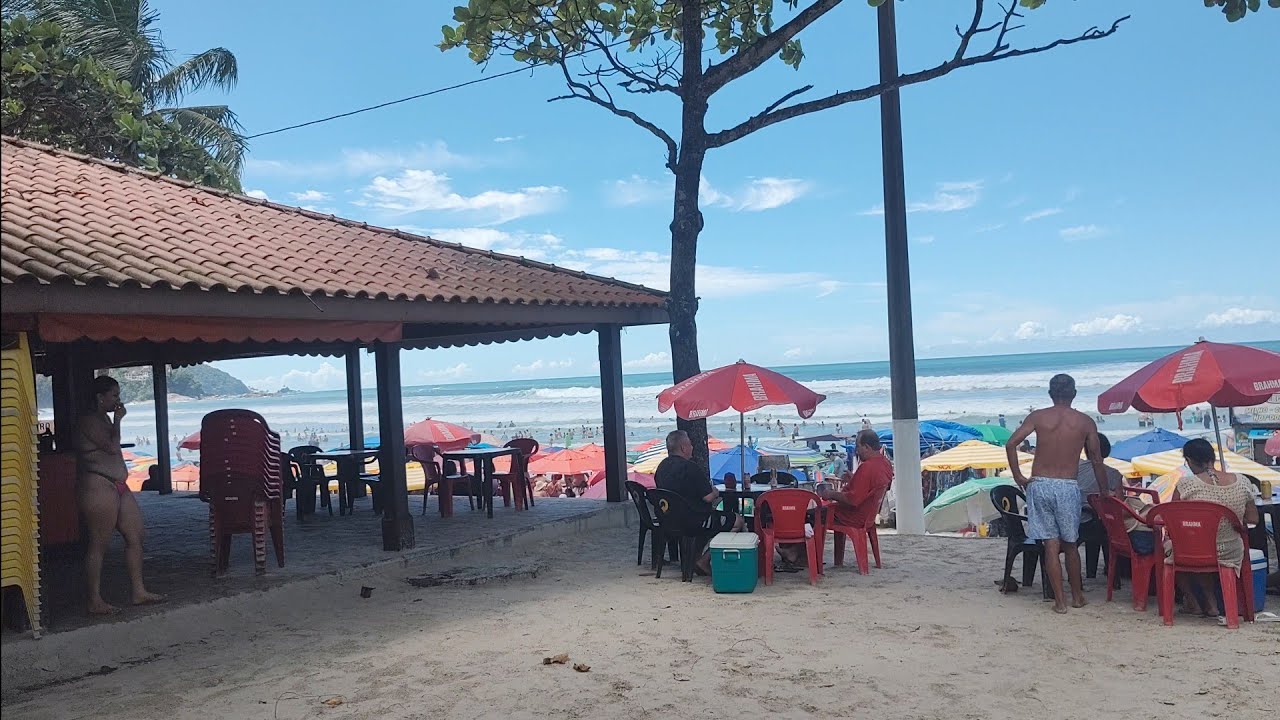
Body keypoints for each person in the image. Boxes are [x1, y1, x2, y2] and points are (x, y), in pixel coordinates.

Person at [1007, 374, 1110, 614]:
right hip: (1066, 485)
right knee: (1071, 544)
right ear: (1074, 393)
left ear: (1051, 394)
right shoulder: (1085, 422)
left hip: (1040, 483)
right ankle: (1077, 597)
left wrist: (1018, 477)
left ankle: (1059, 602)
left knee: (1050, 545)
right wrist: (1104, 490)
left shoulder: (1038, 417)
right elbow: (1096, 458)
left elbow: (1011, 444)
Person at [75, 376, 164, 615]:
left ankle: (139, 591)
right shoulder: (89, 421)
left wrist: (114, 420)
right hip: (98, 484)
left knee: (136, 535)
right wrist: (119, 420)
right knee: (99, 543)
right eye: (114, 395)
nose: (118, 399)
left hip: (119, 484)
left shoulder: (103, 418)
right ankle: (94, 599)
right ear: (100, 397)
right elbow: (112, 447)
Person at [1167, 438, 1259, 618]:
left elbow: (1173, 520)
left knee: (1171, 550)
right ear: (1213, 457)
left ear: (1190, 461)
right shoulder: (1242, 481)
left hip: (1195, 551)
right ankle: (1213, 602)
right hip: (1231, 550)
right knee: (1203, 545)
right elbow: (1253, 519)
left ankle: (1197, 602)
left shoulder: (1186, 485)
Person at [654, 430, 744, 575]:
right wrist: (716, 491)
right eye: (690, 444)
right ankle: (703, 560)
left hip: (668, 520)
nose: (692, 448)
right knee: (737, 520)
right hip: (693, 521)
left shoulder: (661, 468)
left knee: (707, 517)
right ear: (683, 448)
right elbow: (708, 497)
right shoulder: (690, 467)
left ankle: (696, 558)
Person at [1075, 433, 1123, 497]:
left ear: (1086, 450)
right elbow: (1120, 502)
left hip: (1076, 504)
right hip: (1099, 506)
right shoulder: (1115, 474)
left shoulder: (1075, 466)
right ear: (1107, 449)